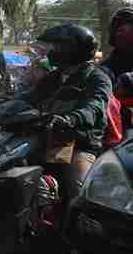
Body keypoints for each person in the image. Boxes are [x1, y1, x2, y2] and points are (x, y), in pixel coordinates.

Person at [16, 24, 111, 211]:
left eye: (60, 47)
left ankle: (77, 236)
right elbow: (29, 97)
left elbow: (95, 106)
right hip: (46, 138)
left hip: (78, 144)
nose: (54, 51)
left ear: (76, 50)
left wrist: (72, 118)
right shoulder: (55, 77)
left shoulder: (97, 77)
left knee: (79, 191)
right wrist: (0, 107)